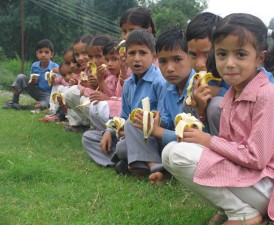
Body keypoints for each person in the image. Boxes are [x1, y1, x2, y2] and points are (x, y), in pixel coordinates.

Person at [162, 13, 274, 225]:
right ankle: (235, 209)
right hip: (252, 180)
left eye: (241, 54)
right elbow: (229, 146)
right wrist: (200, 137)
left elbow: (256, 158)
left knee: (181, 155)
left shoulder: (268, 96)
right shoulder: (232, 95)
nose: (229, 63)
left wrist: (206, 141)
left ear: (260, 58)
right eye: (222, 54)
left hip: (270, 185)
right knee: (170, 153)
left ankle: (245, 214)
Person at [119, 27, 195, 182]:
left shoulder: (196, 89)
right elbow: (165, 118)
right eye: (163, 62)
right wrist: (155, 120)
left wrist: (156, 129)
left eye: (177, 60)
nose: (170, 68)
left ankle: (149, 165)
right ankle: (154, 166)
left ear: (190, 58)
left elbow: (192, 136)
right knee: (128, 131)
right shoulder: (168, 86)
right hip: (166, 140)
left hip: (186, 143)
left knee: (174, 152)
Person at [83, 29, 166, 167]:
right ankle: (128, 162)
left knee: (123, 147)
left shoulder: (160, 82)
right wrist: (110, 131)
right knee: (89, 138)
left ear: (154, 56)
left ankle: (133, 161)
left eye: (143, 53)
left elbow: (163, 120)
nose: (137, 58)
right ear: (125, 57)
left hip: (150, 137)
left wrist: (133, 128)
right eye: (132, 53)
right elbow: (123, 116)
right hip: (128, 134)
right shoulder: (128, 84)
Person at [183, 12, 229, 136]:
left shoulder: (232, 71)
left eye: (207, 54)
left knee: (216, 105)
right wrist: (200, 109)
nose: (199, 64)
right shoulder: (195, 79)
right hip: (208, 137)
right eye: (193, 54)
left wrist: (218, 92)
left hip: (242, 143)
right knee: (188, 103)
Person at [3, 39, 59, 110]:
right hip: (36, 90)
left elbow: (58, 85)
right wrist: (32, 81)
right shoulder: (34, 65)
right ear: (37, 54)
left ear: (52, 54)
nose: (43, 54)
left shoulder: (55, 67)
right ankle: (14, 101)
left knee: (49, 102)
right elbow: (31, 82)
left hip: (48, 94)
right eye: (40, 52)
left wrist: (53, 79)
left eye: (46, 52)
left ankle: (28, 107)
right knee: (21, 77)